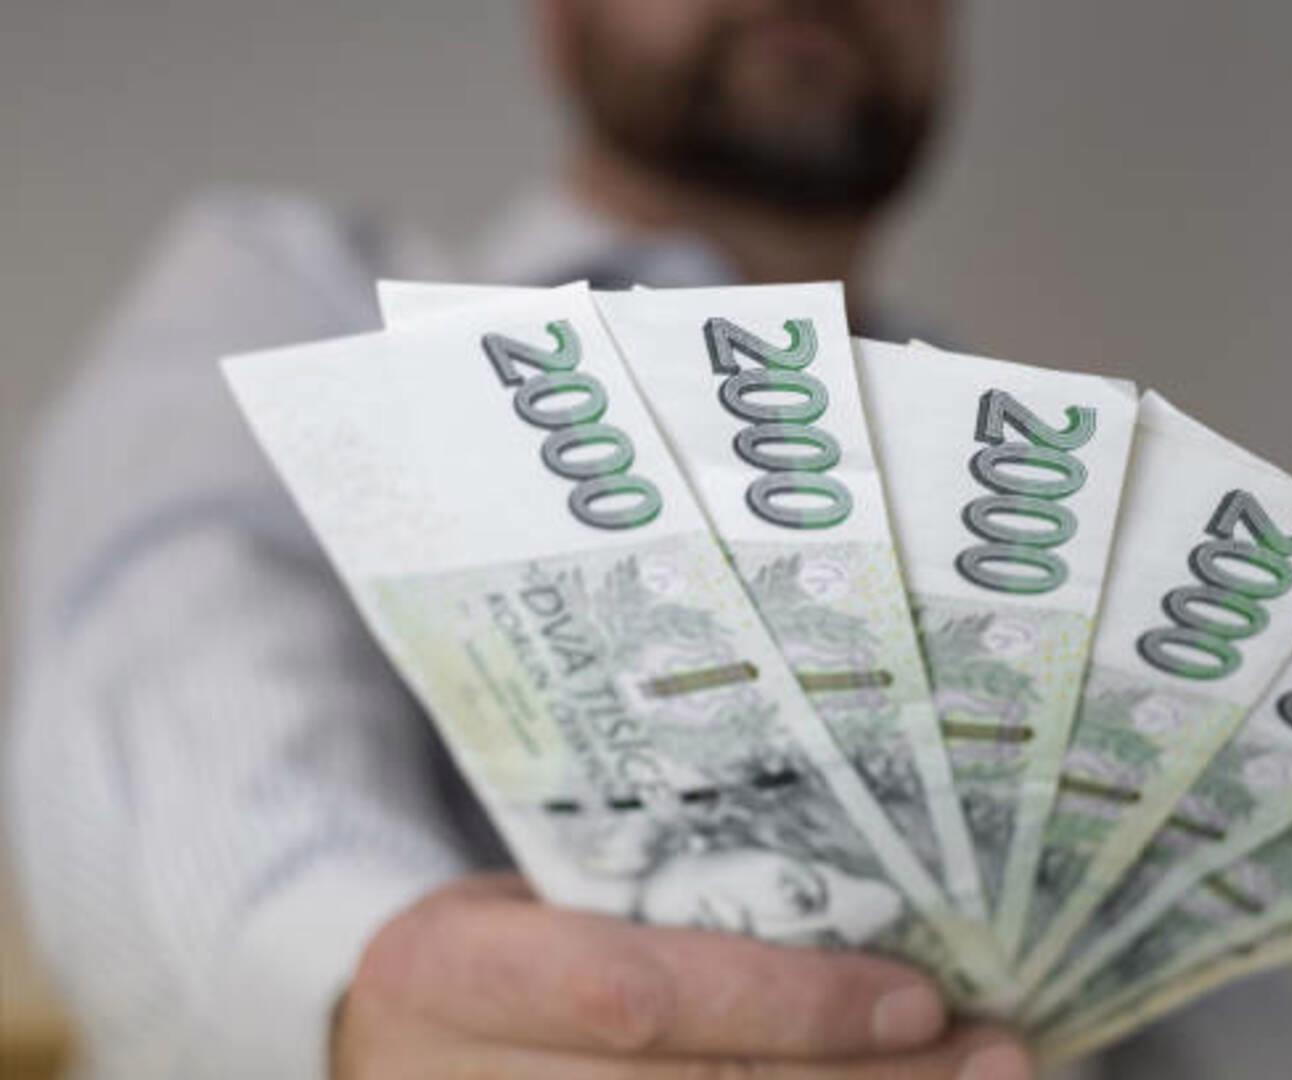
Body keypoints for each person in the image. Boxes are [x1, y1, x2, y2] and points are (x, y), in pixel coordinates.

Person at [4, 1, 1036, 1077]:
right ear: (556, 22)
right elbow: (168, 649)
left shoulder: (1010, 459)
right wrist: (363, 977)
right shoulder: (293, 296)